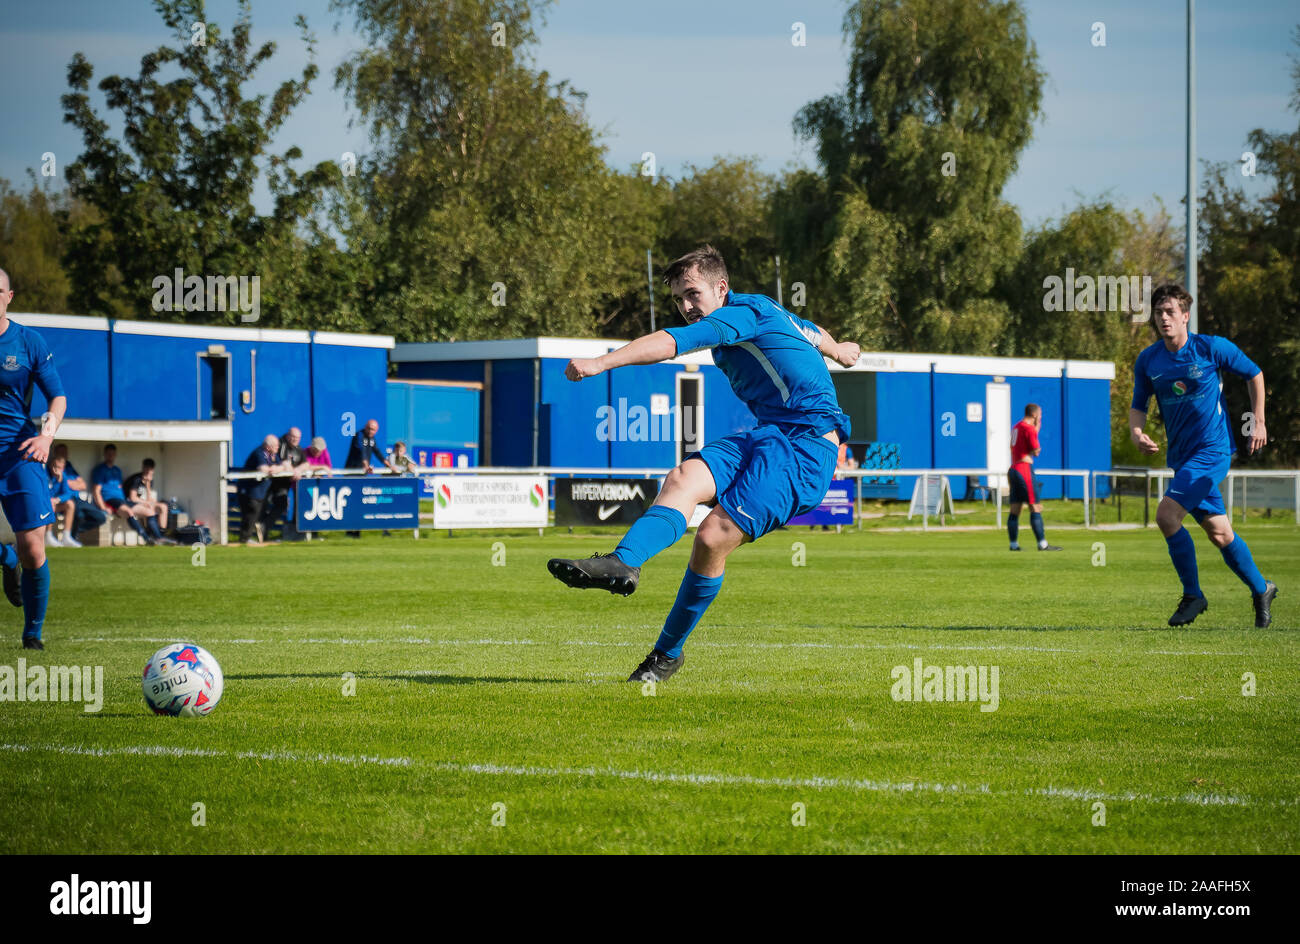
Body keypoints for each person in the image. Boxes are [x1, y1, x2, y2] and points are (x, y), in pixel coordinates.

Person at [546, 245, 858, 682]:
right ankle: (624, 561)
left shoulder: (737, 316)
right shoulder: (763, 309)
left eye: (693, 294)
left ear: (721, 289)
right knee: (684, 476)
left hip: (807, 449)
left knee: (711, 537)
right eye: (677, 299)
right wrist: (839, 350)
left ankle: (666, 655)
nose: (687, 307)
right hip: (767, 435)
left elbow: (674, 342)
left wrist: (602, 362)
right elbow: (811, 331)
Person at [1131, 283, 1277, 628]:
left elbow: (1254, 373)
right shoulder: (1149, 360)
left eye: (1170, 312)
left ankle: (1193, 595)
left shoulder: (1210, 348)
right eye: (1158, 313)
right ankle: (1262, 588)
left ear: (1185, 316)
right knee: (1220, 534)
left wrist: (1258, 421)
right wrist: (1137, 433)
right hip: (1181, 458)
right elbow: (1139, 405)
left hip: (1212, 452)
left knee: (1167, 516)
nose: (1163, 318)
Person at [0, 267, 67, 649]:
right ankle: (4, 559)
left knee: (33, 548)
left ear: (10, 297)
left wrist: (46, 436)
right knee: (16, 554)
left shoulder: (28, 342)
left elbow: (57, 396)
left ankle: (32, 635)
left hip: (19, 452)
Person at [1007, 404, 1060, 551]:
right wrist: (1036, 446)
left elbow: (1020, 443)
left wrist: (1036, 429)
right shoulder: (1029, 429)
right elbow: (1036, 451)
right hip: (1024, 468)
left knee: (1015, 509)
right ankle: (1042, 544)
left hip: (1013, 468)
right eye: (1040, 415)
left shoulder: (1017, 426)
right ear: (1035, 415)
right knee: (1035, 506)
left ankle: (1013, 544)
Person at [91, 444, 154, 545]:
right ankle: (146, 538)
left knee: (148, 511)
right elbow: (96, 491)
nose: (110, 456)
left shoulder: (117, 470)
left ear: (115, 455)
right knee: (129, 512)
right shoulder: (100, 470)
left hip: (122, 500)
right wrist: (103, 507)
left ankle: (157, 537)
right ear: (105, 454)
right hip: (110, 500)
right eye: (108, 454)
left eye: (112, 454)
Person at [344, 419, 395, 536]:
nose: (371, 431)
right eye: (369, 428)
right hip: (352, 473)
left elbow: (377, 452)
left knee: (359, 503)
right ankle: (349, 530)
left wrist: (389, 465)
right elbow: (361, 452)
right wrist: (366, 465)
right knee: (350, 503)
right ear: (366, 427)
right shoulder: (359, 436)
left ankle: (356, 531)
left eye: (373, 430)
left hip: (361, 475)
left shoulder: (372, 439)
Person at [48, 448, 106, 545]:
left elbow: (82, 485)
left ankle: (73, 533)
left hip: (75, 499)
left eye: (65, 453)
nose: (65, 455)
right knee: (79, 515)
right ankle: (70, 537)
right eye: (62, 453)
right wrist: (64, 482)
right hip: (64, 502)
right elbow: (58, 491)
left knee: (100, 517)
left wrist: (67, 482)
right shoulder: (50, 472)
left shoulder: (68, 468)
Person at [238, 435, 289, 544]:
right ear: (268, 446)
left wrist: (276, 468)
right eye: (275, 446)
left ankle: (252, 538)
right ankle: (244, 539)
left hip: (260, 492)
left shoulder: (272, 455)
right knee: (251, 513)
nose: (277, 448)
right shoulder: (259, 453)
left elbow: (282, 466)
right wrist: (273, 469)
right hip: (249, 490)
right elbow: (263, 468)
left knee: (257, 513)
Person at [124, 458, 177, 545]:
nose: (148, 471)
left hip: (140, 502)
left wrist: (148, 483)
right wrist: (147, 503)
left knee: (163, 507)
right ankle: (156, 536)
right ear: (143, 468)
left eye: (150, 469)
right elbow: (132, 498)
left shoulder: (150, 480)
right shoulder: (136, 479)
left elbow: (148, 498)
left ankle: (161, 535)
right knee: (150, 508)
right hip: (129, 503)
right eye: (146, 468)